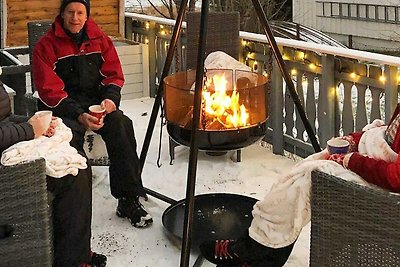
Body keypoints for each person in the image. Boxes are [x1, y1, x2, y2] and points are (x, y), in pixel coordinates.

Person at [199, 104, 400, 267]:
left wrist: (351, 160)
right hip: (375, 166)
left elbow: (396, 176)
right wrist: (355, 140)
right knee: (300, 173)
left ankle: (252, 252)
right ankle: (257, 250)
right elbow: (388, 137)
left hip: (387, 200)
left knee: (307, 179)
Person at [32, 0, 153, 228]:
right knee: (69, 140)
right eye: (70, 12)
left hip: (96, 105)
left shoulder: (101, 40)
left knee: (121, 125)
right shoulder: (46, 46)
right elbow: (48, 90)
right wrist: (78, 114)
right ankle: (70, 210)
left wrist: (110, 100)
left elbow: (113, 75)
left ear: (87, 16)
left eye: (80, 13)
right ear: (62, 14)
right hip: (62, 108)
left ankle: (128, 199)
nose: (75, 18)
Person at [0, 75, 106, 266]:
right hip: (5, 169)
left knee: (77, 161)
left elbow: (4, 119)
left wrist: (34, 122)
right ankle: (73, 260)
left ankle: (76, 251)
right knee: (72, 174)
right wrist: (29, 129)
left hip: (8, 142)